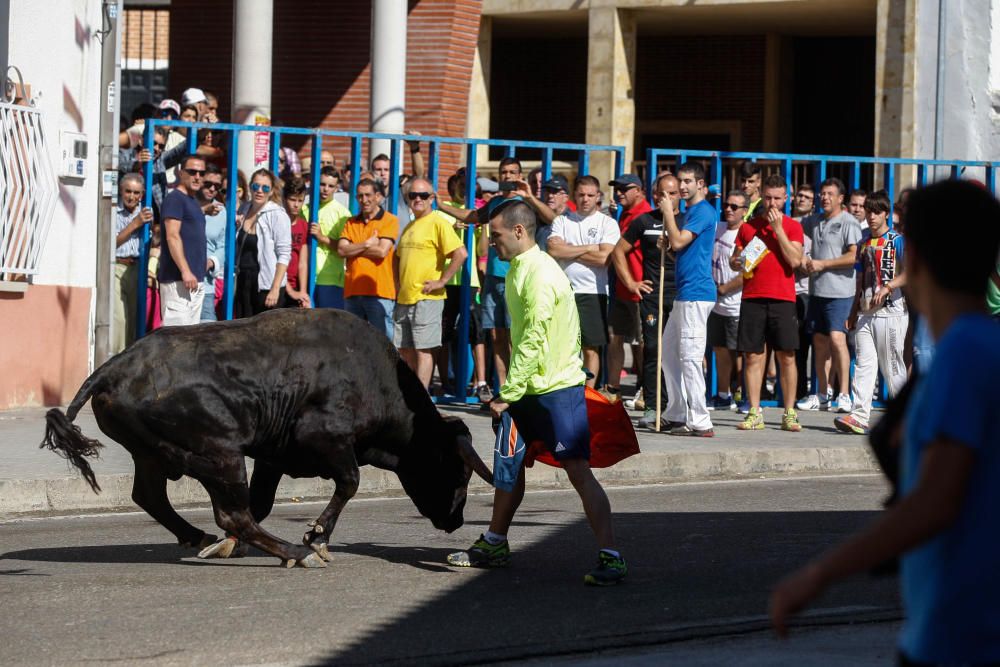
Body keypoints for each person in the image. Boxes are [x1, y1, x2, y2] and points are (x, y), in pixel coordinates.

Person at [770, 180, 1000, 666]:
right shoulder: (980, 349)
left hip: (960, 638)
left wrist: (817, 575)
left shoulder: (963, 356)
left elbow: (933, 504)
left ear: (911, 258)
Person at [446, 200, 627, 586]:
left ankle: (611, 556)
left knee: (578, 472)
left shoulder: (541, 274)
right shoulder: (517, 268)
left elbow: (534, 336)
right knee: (508, 469)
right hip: (525, 390)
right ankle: (495, 541)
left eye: (495, 235)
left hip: (556, 391)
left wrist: (506, 393)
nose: (490, 243)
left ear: (518, 232)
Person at [730, 174, 804, 431]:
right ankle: (754, 411)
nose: (772, 203)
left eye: (777, 198)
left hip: (783, 297)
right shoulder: (748, 226)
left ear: (786, 199)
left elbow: (795, 260)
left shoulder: (793, 226)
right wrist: (738, 260)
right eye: (769, 198)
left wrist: (778, 230)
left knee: (787, 355)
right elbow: (734, 259)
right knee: (752, 356)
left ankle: (790, 412)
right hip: (753, 296)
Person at [834, 190, 908, 435]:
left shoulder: (897, 240)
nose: (872, 216)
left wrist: (888, 286)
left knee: (892, 367)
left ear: (886, 213)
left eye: (877, 212)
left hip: (891, 313)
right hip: (866, 312)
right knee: (864, 364)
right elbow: (859, 278)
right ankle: (858, 416)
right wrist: (854, 309)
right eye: (869, 211)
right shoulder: (864, 241)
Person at [612, 173, 681, 428]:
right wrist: (631, 283)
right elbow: (619, 250)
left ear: (679, 196)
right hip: (652, 296)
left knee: (680, 353)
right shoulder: (644, 221)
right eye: (662, 193)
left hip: (680, 295)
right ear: (654, 196)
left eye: (672, 193)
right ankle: (653, 405)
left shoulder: (686, 221)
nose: (667, 198)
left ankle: (677, 406)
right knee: (653, 350)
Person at [657, 162, 718, 437]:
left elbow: (680, 241)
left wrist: (669, 216)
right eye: (680, 181)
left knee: (690, 357)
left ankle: (701, 421)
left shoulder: (703, 210)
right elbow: (679, 251)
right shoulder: (693, 211)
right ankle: (677, 412)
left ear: (700, 185)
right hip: (685, 293)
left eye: (688, 181)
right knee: (668, 355)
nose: (682, 186)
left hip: (697, 294)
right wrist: (667, 246)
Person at [547, 175, 621, 387]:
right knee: (563, 347)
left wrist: (568, 251)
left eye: (590, 195)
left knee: (590, 347)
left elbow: (604, 258)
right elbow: (553, 249)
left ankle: (589, 395)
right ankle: (566, 390)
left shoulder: (607, 223)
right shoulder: (562, 220)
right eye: (581, 195)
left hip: (593, 291)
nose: (585, 199)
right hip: (563, 291)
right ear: (574, 196)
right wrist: (590, 247)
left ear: (598, 196)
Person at [796, 178, 863, 413]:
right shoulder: (814, 220)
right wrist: (802, 258)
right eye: (822, 193)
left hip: (841, 292)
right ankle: (823, 394)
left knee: (837, 338)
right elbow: (795, 233)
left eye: (829, 194)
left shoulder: (849, 222)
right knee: (820, 342)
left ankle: (844, 394)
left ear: (840, 198)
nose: (824, 198)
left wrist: (823, 264)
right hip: (817, 291)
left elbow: (853, 257)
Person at [394, 178, 468, 388]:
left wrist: (442, 281)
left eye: (423, 195)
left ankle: (421, 399)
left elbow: (460, 253)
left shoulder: (438, 223)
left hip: (427, 298)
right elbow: (397, 256)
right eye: (412, 195)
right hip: (405, 298)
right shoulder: (410, 225)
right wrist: (397, 284)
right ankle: (410, 395)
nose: (417, 199)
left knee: (423, 350)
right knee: (404, 349)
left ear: (432, 198)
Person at [604, 174, 653, 402]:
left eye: (625, 188)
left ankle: (645, 387)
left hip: (639, 288)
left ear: (639, 190)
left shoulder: (645, 215)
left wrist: (634, 283)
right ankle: (613, 388)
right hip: (621, 289)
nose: (619, 192)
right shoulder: (624, 214)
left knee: (642, 343)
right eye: (617, 189)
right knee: (616, 337)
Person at [338, 178, 399, 339]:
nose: (364, 200)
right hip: (352, 291)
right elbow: (341, 250)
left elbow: (381, 252)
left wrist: (354, 248)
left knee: (383, 343)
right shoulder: (351, 222)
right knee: (353, 343)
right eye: (360, 196)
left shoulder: (389, 220)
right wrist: (366, 244)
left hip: (380, 292)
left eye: (368, 195)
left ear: (378, 196)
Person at [707, 190, 747, 410]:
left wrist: (723, 289)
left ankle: (742, 395)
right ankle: (724, 395)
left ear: (744, 211)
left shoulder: (748, 234)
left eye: (734, 206)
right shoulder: (718, 228)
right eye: (726, 205)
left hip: (737, 303)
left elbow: (748, 273)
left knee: (741, 352)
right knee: (720, 349)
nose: (729, 209)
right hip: (716, 303)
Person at [233, 169, 292, 317]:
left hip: (265, 284)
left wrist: (275, 288)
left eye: (265, 188)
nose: (259, 191)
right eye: (255, 186)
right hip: (242, 281)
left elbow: (284, 255)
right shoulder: (244, 209)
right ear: (250, 187)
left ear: (271, 191)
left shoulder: (277, 215)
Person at [159, 155, 209, 326]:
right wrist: (185, 270)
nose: (197, 177)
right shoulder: (174, 199)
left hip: (195, 281)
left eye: (201, 173)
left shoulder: (192, 201)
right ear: (181, 173)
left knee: (189, 342)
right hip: (178, 281)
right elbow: (172, 236)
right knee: (176, 342)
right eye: (192, 171)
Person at [112, 174, 153, 352]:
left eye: (136, 193)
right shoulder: (114, 210)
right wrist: (135, 224)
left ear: (142, 194)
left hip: (137, 268)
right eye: (128, 191)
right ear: (121, 191)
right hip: (118, 267)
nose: (131, 196)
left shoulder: (145, 211)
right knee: (119, 319)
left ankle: (129, 357)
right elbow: (111, 242)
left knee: (134, 318)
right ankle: (117, 357)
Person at [304, 166, 352, 309]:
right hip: (306, 275)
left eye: (330, 186)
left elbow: (345, 249)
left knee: (329, 326)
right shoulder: (305, 208)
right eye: (322, 184)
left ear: (337, 188)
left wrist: (321, 237)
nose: (325, 189)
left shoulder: (342, 213)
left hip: (330, 278)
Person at [199, 163, 227, 322]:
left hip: (206, 283)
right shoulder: (186, 204)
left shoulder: (221, 212)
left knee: (207, 332)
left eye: (216, 186)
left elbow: (223, 245)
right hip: (180, 281)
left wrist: (211, 261)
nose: (212, 189)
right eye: (208, 184)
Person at [281, 178, 311, 308]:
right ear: (284, 199)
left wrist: (302, 292)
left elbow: (303, 263)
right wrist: (290, 291)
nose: (296, 205)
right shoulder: (278, 223)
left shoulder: (304, 226)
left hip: (295, 286)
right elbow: (274, 259)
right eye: (292, 200)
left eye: (300, 200)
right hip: (279, 284)